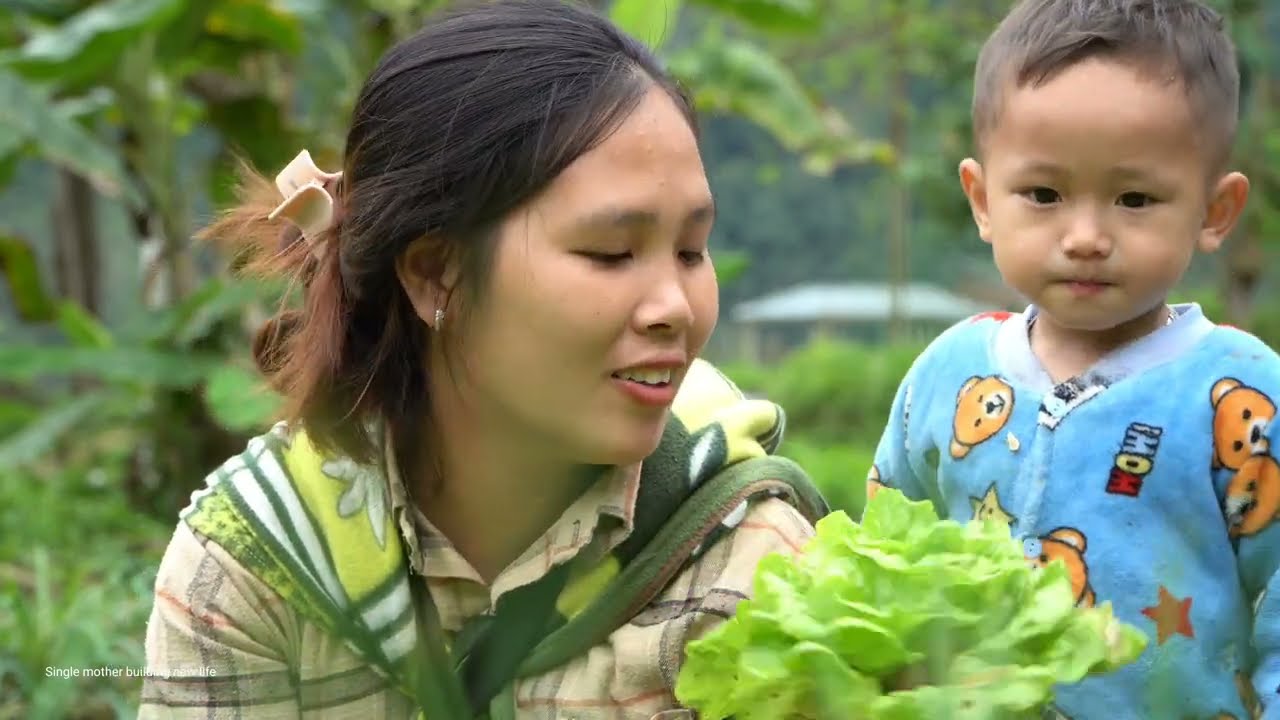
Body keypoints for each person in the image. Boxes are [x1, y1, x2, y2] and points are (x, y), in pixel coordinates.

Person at [139, 2, 827, 717]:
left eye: (690, 251)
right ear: (437, 274)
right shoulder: (258, 564)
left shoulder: (745, 559)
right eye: (611, 253)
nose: (675, 307)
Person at [865, 0, 1279, 717]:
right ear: (983, 198)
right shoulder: (949, 371)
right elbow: (881, 558)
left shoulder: (1242, 390)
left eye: (1134, 198)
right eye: (1045, 194)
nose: (1085, 235)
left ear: (1215, 212)